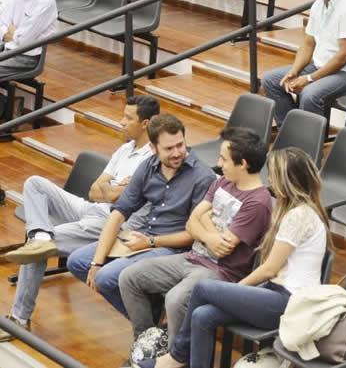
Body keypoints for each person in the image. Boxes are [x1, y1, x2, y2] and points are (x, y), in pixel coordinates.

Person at [143, 148, 329, 368]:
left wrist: (237, 290)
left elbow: (269, 269)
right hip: (273, 292)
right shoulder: (292, 211)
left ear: (286, 180)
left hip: (289, 302)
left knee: (202, 288)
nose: (271, 182)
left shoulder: (300, 215)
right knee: (203, 315)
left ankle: (176, 357)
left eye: (274, 176)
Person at [0, 96, 160, 342]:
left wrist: (111, 189)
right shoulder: (125, 148)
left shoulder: (152, 158)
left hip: (112, 223)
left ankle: (19, 318)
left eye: (128, 118)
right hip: (91, 207)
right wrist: (113, 189)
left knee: (36, 251)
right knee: (35, 184)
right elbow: (94, 190)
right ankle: (40, 234)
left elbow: (120, 198)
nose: (121, 122)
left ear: (145, 123)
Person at [119, 127, 272, 347]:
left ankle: (176, 357)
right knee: (129, 277)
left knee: (175, 299)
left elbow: (222, 249)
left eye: (224, 159)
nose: (219, 164)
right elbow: (192, 221)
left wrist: (204, 223)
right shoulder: (223, 182)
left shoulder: (258, 202)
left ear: (243, 164)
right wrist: (209, 233)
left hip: (221, 272)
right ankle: (146, 346)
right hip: (192, 258)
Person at [66, 114, 216, 317]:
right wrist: (96, 262)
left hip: (173, 247)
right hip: (142, 236)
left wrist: (151, 242)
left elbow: (195, 234)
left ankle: (145, 328)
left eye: (180, 145)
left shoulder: (202, 177)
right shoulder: (148, 166)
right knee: (78, 261)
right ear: (153, 149)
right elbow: (118, 214)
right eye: (168, 148)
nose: (177, 153)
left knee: (105, 277)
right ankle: (148, 320)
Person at [0, 0, 56, 90]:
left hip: (26, 58)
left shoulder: (45, 1)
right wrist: (9, 33)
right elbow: (2, 22)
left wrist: (12, 33)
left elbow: (25, 40)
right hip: (7, 49)